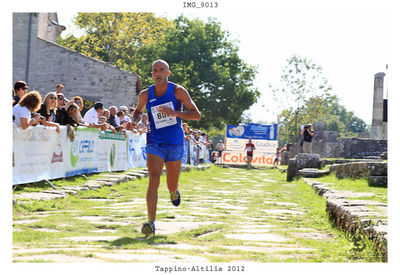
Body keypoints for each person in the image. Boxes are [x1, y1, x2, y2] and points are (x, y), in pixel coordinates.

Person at [131, 59, 201, 237]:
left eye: (162, 70)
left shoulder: (178, 91)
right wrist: (133, 121)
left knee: (171, 183)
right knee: (153, 178)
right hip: (155, 141)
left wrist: (175, 113)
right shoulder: (146, 94)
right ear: (152, 74)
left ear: (167, 73)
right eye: (155, 71)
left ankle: (174, 192)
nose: (158, 73)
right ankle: (151, 223)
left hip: (175, 142)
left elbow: (197, 115)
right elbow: (138, 112)